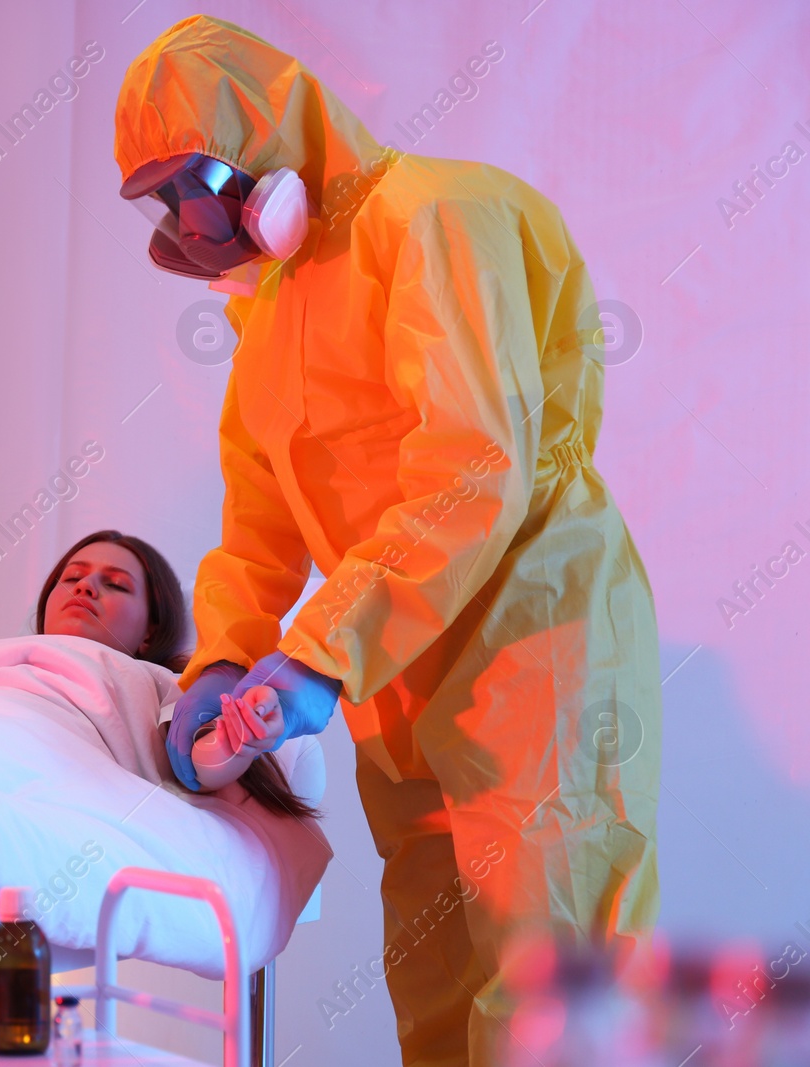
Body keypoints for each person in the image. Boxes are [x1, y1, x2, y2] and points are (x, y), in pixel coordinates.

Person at [114, 16, 659, 1065]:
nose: (189, 218)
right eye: (162, 197)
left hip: (533, 634)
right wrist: (220, 655)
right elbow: (256, 527)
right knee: (436, 979)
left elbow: (475, 467)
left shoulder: (432, 217)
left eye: (202, 179)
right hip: (397, 679)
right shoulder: (266, 321)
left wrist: (322, 649)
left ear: (275, 130)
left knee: (557, 969)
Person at [34, 529, 312, 818]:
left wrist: (236, 734)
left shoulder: (150, 682)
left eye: (116, 584)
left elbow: (199, 766)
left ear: (149, 632)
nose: (84, 587)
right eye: (71, 578)